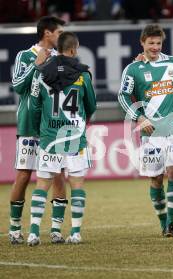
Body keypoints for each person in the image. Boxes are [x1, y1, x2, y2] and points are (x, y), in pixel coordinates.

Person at [27, 31, 96, 246]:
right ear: (74, 49)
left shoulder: (42, 74)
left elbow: (34, 104)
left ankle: (33, 233)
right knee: (77, 184)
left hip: (49, 137)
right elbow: (91, 105)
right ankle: (75, 232)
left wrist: (41, 127)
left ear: (58, 49)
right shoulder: (83, 75)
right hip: (75, 137)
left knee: (42, 184)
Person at [118, 24, 173, 237]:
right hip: (150, 133)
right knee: (156, 178)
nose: (155, 47)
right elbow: (123, 96)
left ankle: (172, 224)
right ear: (142, 43)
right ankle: (163, 222)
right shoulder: (133, 69)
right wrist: (139, 117)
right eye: (151, 43)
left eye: (158, 43)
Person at [9, 16, 67, 245]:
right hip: (30, 125)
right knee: (24, 175)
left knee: (59, 174)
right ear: (47, 33)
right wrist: (37, 64)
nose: (61, 36)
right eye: (59, 32)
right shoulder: (25, 55)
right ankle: (14, 229)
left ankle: (55, 229)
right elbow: (18, 86)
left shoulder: (61, 59)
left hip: (53, 126)